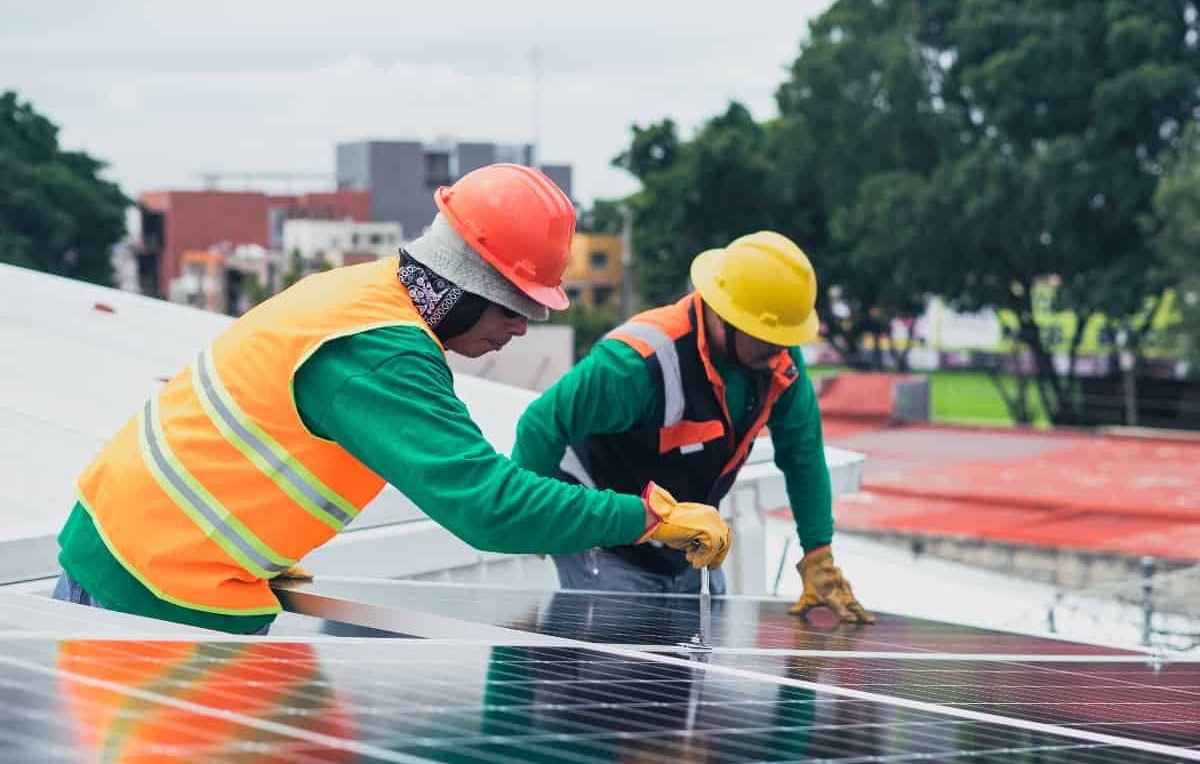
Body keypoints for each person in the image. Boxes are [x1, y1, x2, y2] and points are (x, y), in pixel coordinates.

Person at [50, 164, 731, 634]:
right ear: (468, 283)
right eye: (517, 306)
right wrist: (646, 517)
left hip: (140, 551)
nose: (522, 327)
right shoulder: (381, 352)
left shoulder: (362, 293)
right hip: (153, 582)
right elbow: (487, 508)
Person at [512, 230, 873, 623]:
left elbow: (803, 455)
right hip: (608, 542)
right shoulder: (637, 362)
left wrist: (818, 554)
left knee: (692, 664)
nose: (781, 350)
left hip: (689, 544)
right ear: (726, 316)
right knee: (619, 666)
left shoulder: (777, 364)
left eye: (786, 339)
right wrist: (535, 520)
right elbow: (540, 424)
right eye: (770, 337)